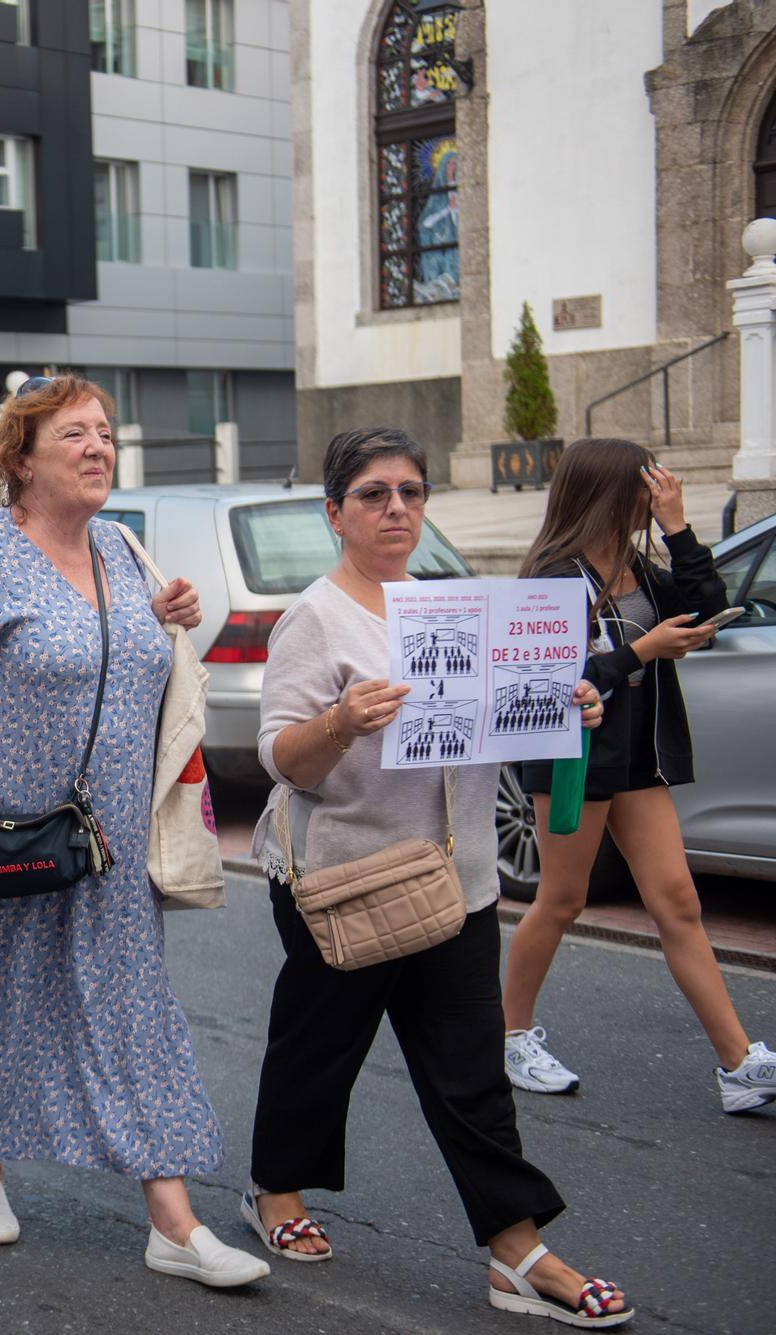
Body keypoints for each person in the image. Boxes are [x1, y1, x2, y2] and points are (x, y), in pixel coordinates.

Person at [244, 427, 629, 1327]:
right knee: (318, 1049)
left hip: (456, 880)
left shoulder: (452, 608)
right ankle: (274, 1189)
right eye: (374, 494)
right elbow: (281, 755)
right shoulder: (316, 616)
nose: (397, 510)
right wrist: (340, 719)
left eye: (411, 492)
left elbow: (497, 726)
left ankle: (516, 1250)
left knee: (470, 1075)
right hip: (350, 878)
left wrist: (564, 700)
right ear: (333, 511)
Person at [0, 374, 261, 1288]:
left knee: (133, 1015)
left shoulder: (121, 547)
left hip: (109, 844)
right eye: (74, 434)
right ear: (21, 459)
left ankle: (174, 1223)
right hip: (8, 834)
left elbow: (117, 661)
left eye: (104, 432)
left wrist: (161, 618)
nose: (98, 447)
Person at [502, 440, 775, 1113]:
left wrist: (680, 528)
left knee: (677, 901)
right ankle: (510, 1036)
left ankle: (739, 1065)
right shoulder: (553, 578)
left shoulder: (637, 566)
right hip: (575, 756)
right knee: (563, 899)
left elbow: (707, 610)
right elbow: (555, 683)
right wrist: (643, 650)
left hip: (639, 760)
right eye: (642, 488)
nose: (650, 499)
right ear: (606, 494)